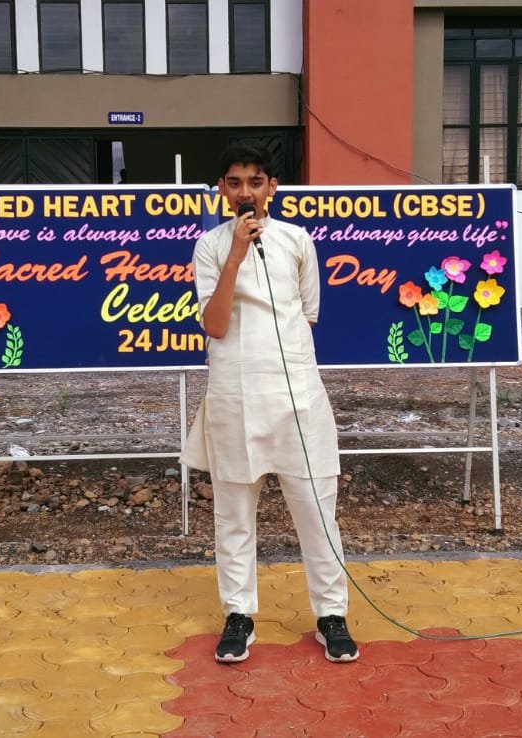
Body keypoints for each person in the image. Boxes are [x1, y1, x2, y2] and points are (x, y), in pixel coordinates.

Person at [180, 141, 358, 664]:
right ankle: (238, 614)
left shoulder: (297, 240)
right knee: (234, 515)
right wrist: (236, 254)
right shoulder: (211, 246)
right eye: (235, 183)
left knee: (317, 511)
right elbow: (214, 325)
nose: (245, 192)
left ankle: (331, 615)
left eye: (255, 183)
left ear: (272, 188)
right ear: (221, 190)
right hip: (235, 396)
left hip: (297, 397)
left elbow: (307, 315)